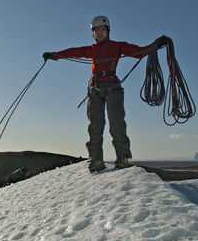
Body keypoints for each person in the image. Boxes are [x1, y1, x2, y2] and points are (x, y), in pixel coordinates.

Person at [43, 16, 151, 173]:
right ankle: (96, 160)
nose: (99, 33)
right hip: (95, 89)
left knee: (117, 123)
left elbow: (139, 52)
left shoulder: (118, 46)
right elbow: (74, 52)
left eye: (102, 29)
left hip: (113, 88)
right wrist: (55, 55)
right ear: (93, 33)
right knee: (95, 125)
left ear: (108, 30)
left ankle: (122, 158)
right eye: (96, 30)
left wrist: (155, 45)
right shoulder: (91, 50)